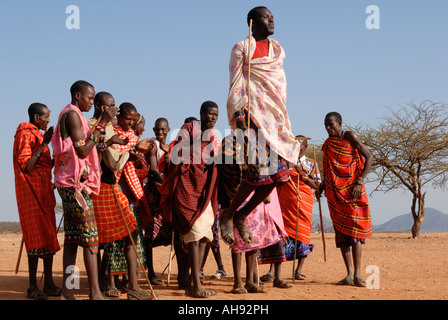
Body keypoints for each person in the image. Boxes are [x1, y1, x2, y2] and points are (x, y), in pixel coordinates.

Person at [222, 6, 300, 246]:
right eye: (266, 17)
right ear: (252, 23)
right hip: (252, 115)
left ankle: (240, 215)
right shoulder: (242, 47)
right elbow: (236, 81)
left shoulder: (278, 50)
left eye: (273, 17)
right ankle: (229, 215)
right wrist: (238, 115)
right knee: (260, 173)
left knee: (279, 178)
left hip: (275, 118)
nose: (272, 21)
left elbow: (280, 86)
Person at [51, 80, 117, 300]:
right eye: (90, 98)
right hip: (75, 186)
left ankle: (67, 291)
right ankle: (95, 292)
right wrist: (102, 123)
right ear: (78, 95)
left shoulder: (73, 116)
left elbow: (91, 147)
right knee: (90, 239)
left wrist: (106, 141)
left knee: (71, 240)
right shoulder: (72, 115)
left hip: (70, 183)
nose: (92, 102)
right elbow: (82, 152)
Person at [89, 93, 155, 300]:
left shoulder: (126, 133)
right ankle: (108, 282)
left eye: (132, 120)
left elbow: (125, 157)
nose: (130, 122)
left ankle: (133, 286)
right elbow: (113, 160)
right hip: (110, 187)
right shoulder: (99, 127)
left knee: (131, 235)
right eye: (127, 118)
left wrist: (135, 155)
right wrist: (133, 149)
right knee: (111, 239)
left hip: (128, 192)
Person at [218, 134, 288, 293]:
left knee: (252, 240)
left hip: (253, 200)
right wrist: (245, 157)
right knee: (236, 243)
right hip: (234, 195)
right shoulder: (230, 141)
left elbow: (267, 170)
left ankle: (250, 281)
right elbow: (226, 163)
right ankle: (237, 282)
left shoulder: (260, 143)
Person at [166, 101, 220, 298]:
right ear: (201, 113)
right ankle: (195, 285)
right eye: (210, 114)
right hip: (187, 189)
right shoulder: (189, 128)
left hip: (205, 191)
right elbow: (178, 154)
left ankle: (194, 279)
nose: (213, 118)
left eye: (216, 115)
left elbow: (214, 162)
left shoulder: (214, 136)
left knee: (206, 234)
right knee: (195, 235)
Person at [317, 112, 373, 287]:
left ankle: (357, 275)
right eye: (325, 125)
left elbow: (369, 157)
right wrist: (323, 186)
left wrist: (359, 181)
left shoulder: (349, 136)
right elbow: (327, 169)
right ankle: (349, 274)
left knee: (356, 233)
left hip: (352, 192)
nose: (327, 128)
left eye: (330, 125)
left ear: (339, 123)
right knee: (342, 234)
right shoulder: (328, 145)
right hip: (335, 195)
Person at [13, 103, 61, 300]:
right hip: (30, 192)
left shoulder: (39, 135)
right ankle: (33, 286)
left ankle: (48, 283)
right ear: (35, 118)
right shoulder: (25, 133)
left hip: (44, 191)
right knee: (34, 238)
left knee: (48, 235)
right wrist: (44, 144)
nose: (47, 121)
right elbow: (27, 166)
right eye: (45, 118)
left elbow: (43, 164)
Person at [275, 135, 319, 280]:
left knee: (303, 234)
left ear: (305, 148)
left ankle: (298, 270)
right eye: (294, 145)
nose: (297, 148)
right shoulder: (283, 161)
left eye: (300, 146)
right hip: (285, 203)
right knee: (280, 235)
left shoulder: (311, 163)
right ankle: (273, 272)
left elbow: (317, 186)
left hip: (304, 203)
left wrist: (303, 174)